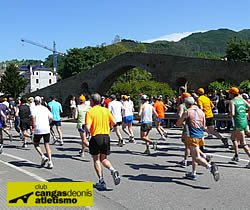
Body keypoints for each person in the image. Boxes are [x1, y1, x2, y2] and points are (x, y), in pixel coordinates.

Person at [177, 96, 219, 181]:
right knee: (194, 155)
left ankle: (210, 168)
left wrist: (184, 123)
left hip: (192, 135)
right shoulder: (201, 112)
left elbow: (178, 123)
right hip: (201, 135)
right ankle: (193, 172)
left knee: (196, 157)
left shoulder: (187, 112)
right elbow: (203, 126)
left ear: (186, 104)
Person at [85, 93, 120, 190]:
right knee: (104, 158)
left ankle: (101, 181)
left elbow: (88, 127)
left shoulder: (90, 112)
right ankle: (113, 170)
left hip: (96, 136)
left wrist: (87, 130)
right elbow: (114, 122)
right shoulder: (105, 110)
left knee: (96, 159)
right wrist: (107, 127)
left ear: (92, 101)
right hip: (106, 136)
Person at [228, 87, 250, 168]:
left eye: (229, 93)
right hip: (244, 121)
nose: (228, 94)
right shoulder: (242, 99)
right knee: (233, 138)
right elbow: (249, 107)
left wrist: (229, 115)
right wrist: (245, 111)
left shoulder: (232, 101)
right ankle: (236, 155)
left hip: (238, 123)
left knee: (243, 143)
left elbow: (232, 113)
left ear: (232, 94)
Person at [31, 96, 54, 169]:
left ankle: (43, 156)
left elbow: (33, 117)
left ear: (35, 102)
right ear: (40, 101)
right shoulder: (45, 108)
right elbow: (51, 117)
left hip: (38, 128)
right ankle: (50, 161)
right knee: (47, 145)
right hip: (46, 128)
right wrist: (48, 123)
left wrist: (33, 126)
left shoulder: (33, 109)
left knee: (36, 143)